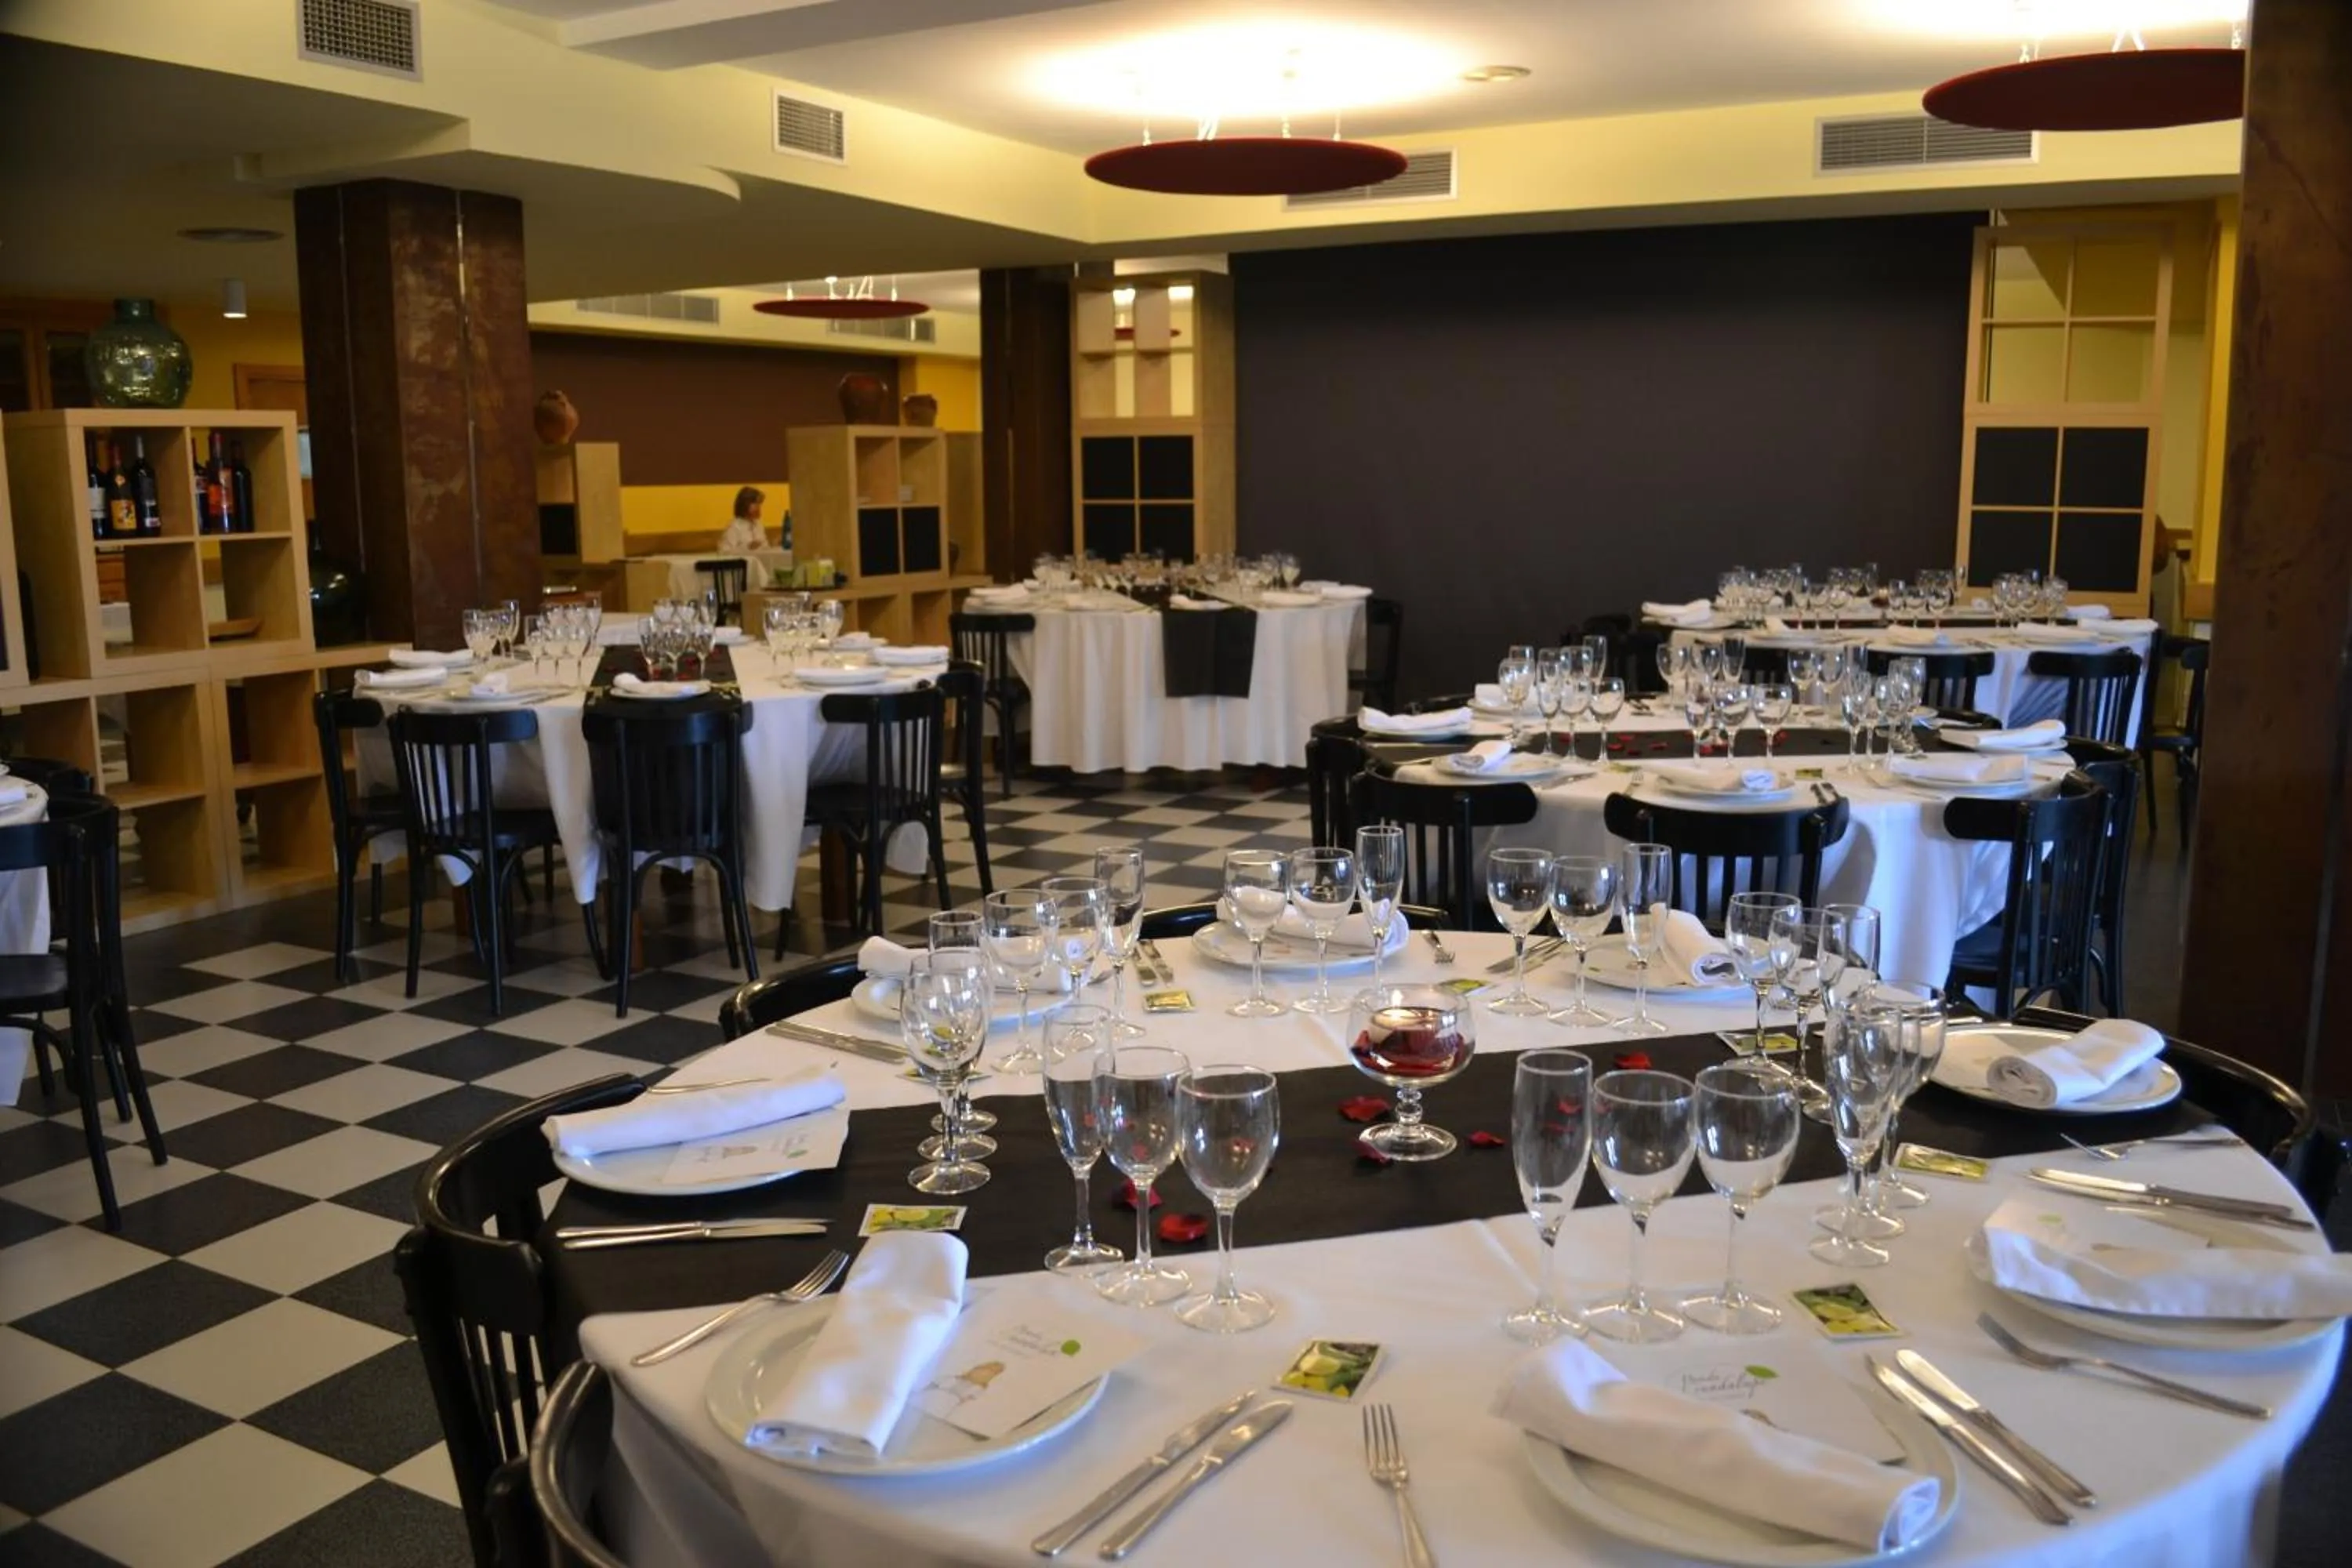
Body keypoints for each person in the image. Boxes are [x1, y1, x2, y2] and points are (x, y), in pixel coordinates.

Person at [717, 485, 768, 552]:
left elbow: (765, 548)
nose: (758, 507)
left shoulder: (758, 525)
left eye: (759, 504)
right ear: (744, 505)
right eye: (754, 503)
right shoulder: (734, 527)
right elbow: (724, 552)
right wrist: (747, 548)